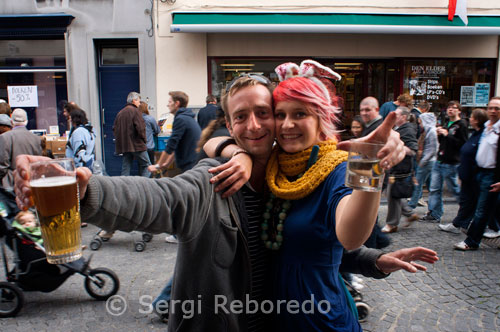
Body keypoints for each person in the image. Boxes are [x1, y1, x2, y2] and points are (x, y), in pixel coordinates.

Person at [14, 74, 437, 332]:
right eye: (240, 117)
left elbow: (315, 241)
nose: (256, 125)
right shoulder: (213, 178)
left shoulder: (295, 176)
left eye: (264, 113)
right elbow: (158, 199)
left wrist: (371, 258)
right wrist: (88, 191)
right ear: (230, 124)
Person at [207, 60, 406, 331]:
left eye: (300, 114)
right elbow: (210, 142)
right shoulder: (274, 164)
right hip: (274, 316)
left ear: (320, 120)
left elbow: (351, 236)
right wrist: (238, 153)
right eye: (280, 114)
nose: (288, 125)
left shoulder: (337, 168)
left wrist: (369, 163)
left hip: (320, 319)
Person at [454, 97, 500, 250]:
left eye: (497, 108)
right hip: (479, 172)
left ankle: (471, 242)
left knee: (482, 210)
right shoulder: (486, 127)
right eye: (491, 108)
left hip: (492, 175)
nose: (493, 111)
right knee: (493, 208)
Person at [439, 108, 488, 234]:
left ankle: (486, 228)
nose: (469, 119)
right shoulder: (477, 134)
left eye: (472, 117)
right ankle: (460, 223)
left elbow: (464, 145)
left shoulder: (481, 134)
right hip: (467, 173)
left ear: (477, 120)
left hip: (474, 174)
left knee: (476, 202)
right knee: (468, 201)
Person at [420, 101, 468, 223]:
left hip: (451, 162)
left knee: (455, 190)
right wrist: (440, 135)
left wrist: (447, 135)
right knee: (435, 188)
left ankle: (467, 212)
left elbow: (462, 144)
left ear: (459, 111)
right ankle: (435, 214)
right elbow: (443, 142)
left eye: (454, 108)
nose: (450, 110)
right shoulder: (448, 123)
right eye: (449, 108)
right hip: (439, 160)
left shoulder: (461, 125)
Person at [382, 107, 419, 233]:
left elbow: (413, 150)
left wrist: (398, 147)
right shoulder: (397, 129)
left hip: (400, 167)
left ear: (403, 116)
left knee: (392, 194)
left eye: (396, 115)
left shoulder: (407, 130)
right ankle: (409, 213)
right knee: (392, 193)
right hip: (394, 166)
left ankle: (392, 224)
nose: (393, 117)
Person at [148, 91, 201, 174]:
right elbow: (176, 145)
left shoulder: (180, 119)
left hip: (190, 165)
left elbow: (171, 144)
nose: (168, 105)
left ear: (177, 103)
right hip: (192, 163)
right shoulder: (187, 118)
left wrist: (157, 165)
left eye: (170, 102)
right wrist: (166, 164)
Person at [0, 108, 42, 189]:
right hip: (29, 182)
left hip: (10, 185)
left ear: (11, 122)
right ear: (26, 121)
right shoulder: (36, 138)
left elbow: (2, 165)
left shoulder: (4, 137)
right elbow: (38, 163)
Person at [113, 91, 151, 177]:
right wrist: (144, 140)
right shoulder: (136, 111)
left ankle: (123, 187)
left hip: (125, 146)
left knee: (126, 167)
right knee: (147, 166)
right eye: (139, 101)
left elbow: (115, 129)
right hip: (136, 145)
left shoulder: (120, 113)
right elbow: (141, 128)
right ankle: (143, 186)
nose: (139, 103)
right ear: (134, 100)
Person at [408, 112, 438, 209]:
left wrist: (422, 162)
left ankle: (412, 204)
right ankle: (434, 208)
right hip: (428, 161)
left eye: (420, 122)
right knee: (431, 186)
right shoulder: (427, 131)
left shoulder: (431, 132)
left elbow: (433, 149)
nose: (420, 125)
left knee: (417, 183)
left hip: (427, 162)